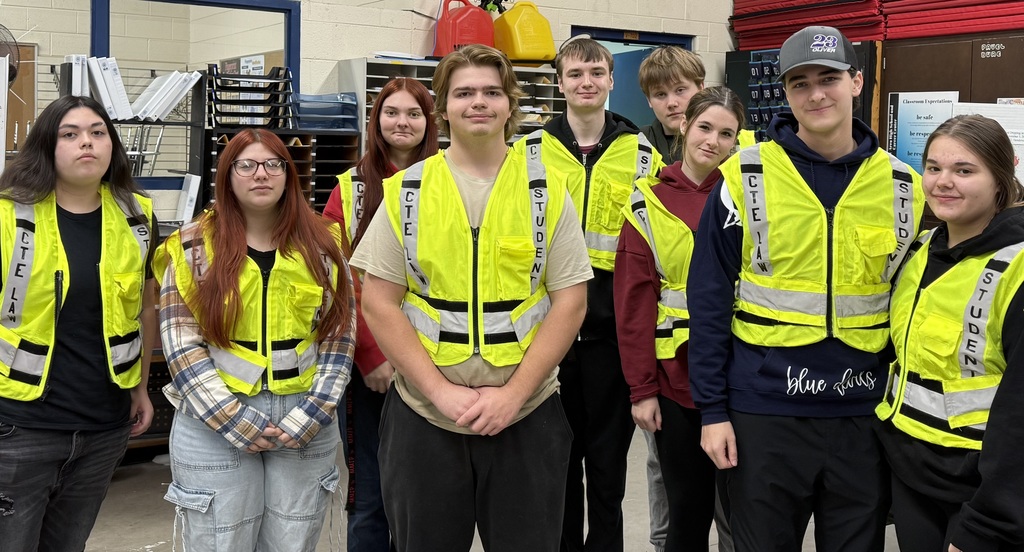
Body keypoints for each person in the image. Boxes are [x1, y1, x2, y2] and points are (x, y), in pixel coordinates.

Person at [687, 25, 925, 551]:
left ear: (856, 82)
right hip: (764, 412)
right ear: (786, 93)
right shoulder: (744, 177)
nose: (816, 94)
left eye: (829, 79)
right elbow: (707, 299)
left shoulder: (903, 186)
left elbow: (912, 306)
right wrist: (713, 411)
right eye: (800, 83)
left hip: (862, 413)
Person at [355, 44, 591, 552]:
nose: (478, 102)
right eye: (463, 93)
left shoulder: (547, 191)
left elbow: (570, 302)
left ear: (510, 104)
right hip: (425, 415)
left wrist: (513, 395)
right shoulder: (408, 192)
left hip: (527, 413)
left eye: (491, 92)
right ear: (442, 108)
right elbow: (378, 302)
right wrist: (441, 393)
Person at [156, 128, 355, 551]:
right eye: (245, 165)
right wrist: (233, 420)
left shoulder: (323, 243)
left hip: (304, 417)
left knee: (292, 542)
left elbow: (339, 334)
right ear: (227, 176)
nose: (260, 174)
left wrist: (312, 414)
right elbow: (180, 343)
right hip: (212, 420)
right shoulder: (192, 247)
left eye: (272, 164)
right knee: (219, 541)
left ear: (288, 174)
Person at [513, 36, 662, 552]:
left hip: (611, 341)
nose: (586, 82)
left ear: (611, 80)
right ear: (560, 83)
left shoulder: (641, 154)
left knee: (607, 473)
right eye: (575, 74)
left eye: (596, 72)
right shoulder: (526, 152)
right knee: (556, 468)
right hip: (545, 339)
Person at [0, 95, 157, 550]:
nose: (86, 142)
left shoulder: (136, 215)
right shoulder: (8, 215)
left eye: (97, 132)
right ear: (47, 146)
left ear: (112, 145)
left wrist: (140, 387)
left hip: (104, 425)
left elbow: (144, 307)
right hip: (20, 423)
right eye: (70, 134)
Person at [875, 114, 1024, 552]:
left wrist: (988, 524)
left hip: (980, 496)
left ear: (1000, 179)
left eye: (964, 170)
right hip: (912, 478)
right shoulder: (918, 251)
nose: (943, 182)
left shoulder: (1016, 269)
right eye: (934, 167)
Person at [617, 86, 745, 552]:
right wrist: (642, 389)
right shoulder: (647, 203)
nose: (713, 141)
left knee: (745, 517)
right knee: (687, 513)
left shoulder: (749, 198)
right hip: (677, 381)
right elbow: (634, 305)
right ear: (685, 126)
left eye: (726, 134)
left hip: (744, 376)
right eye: (705, 127)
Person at [322, 76, 438, 552]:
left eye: (413, 113)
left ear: (429, 121)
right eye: (392, 112)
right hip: (372, 369)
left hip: (437, 360)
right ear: (376, 121)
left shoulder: (448, 181)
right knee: (370, 493)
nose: (402, 122)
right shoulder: (349, 189)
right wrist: (372, 355)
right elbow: (337, 277)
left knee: (427, 496)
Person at [638, 45, 705, 165]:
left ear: (701, 89)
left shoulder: (726, 140)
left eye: (680, 90)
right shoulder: (636, 143)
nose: (671, 103)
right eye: (660, 94)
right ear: (649, 100)